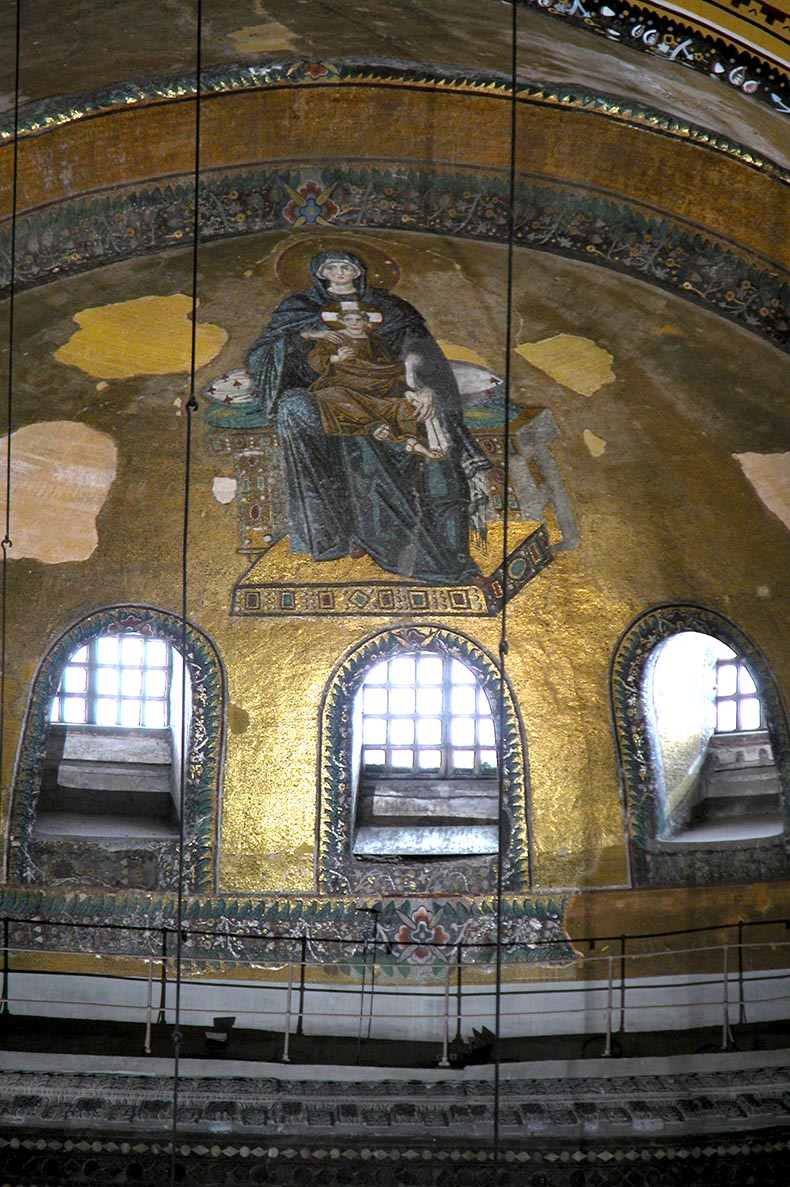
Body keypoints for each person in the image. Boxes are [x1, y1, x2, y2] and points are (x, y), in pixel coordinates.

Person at [246, 250, 490, 584]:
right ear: (320, 273)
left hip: (388, 388)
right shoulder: (298, 309)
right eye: (331, 267)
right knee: (295, 407)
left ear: (359, 271)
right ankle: (331, 532)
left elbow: (420, 352)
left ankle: (431, 546)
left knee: (419, 429)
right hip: (336, 390)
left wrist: (426, 386)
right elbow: (266, 353)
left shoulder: (392, 309)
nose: (339, 272)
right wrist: (310, 337)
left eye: (346, 266)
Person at [307, 308, 447, 459]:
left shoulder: (376, 341)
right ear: (341, 321)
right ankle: (374, 426)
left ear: (366, 323)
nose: (354, 323)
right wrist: (337, 358)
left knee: (401, 404)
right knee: (328, 395)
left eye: (358, 320)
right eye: (349, 320)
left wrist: (404, 386)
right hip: (343, 379)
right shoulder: (333, 338)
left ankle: (411, 441)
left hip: (377, 380)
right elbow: (315, 359)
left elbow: (389, 364)